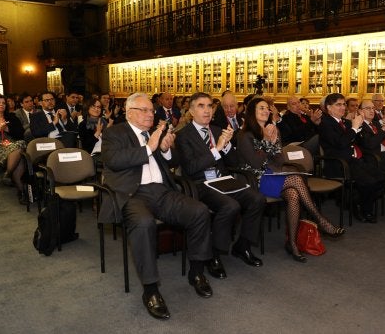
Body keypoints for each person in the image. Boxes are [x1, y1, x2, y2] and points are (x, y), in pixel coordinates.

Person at [100, 92, 213, 320]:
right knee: (143, 223)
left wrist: (166, 149)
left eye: (152, 110)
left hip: (161, 192)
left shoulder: (154, 133)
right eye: (145, 110)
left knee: (199, 211)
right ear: (130, 112)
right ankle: (151, 290)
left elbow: (174, 162)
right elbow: (114, 161)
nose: (151, 114)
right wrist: (149, 148)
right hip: (132, 194)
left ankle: (197, 271)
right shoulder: (114, 133)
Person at [238, 97, 344, 263]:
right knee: (295, 178)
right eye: (261, 108)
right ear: (252, 112)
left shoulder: (274, 130)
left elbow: (280, 161)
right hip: (255, 178)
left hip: (274, 175)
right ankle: (321, 220)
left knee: (294, 195)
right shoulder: (245, 135)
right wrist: (267, 142)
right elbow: (256, 163)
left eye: (267, 108)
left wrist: (274, 142)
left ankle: (293, 243)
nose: (266, 111)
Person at [175, 92, 265, 280]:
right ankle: (214, 255)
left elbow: (234, 162)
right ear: (191, 111)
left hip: (223, 180)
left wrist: (227, 146)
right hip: (200, 183)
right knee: (230, 206)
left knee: (257, 198)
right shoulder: (183, 135)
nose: (207, 110)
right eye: (201, 106)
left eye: (209, 106)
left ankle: (243, 245)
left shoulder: (217, 130)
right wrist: (216, 149)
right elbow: (191, 168)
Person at [319, 93, 385, 223]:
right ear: (329, 107)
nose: (342, 107)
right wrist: (355, 127)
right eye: (338, 104)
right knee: (369, 181)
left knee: (382, 177)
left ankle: (356, 202)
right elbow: (340, 143)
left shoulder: (345, 122)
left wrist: (361, 126)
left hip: (353, 160)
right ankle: (362, 208)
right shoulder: (325, 123)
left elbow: (358, 140)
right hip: (338, 163)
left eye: (344, 104)